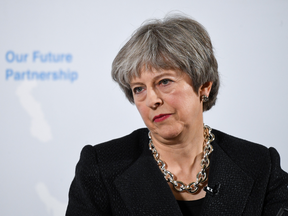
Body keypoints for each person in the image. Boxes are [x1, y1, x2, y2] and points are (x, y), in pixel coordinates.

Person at [66, 14, 288, 216]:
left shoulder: (259, 164)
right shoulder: (100, 167)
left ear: (204, 86)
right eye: (139, 89)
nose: (152, 100)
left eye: (164, 82)